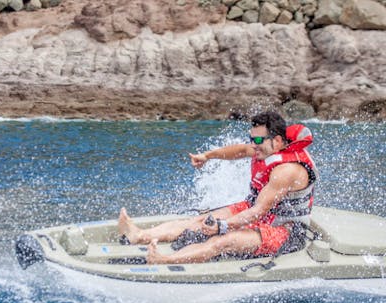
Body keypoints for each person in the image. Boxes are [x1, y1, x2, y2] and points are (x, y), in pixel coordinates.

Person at [118, 111, 318, 264]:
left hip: (284, 230)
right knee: (199, 221)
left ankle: (164, 260)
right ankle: (139, 236)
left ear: (277, 140)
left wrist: (223, 226)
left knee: (224, 240)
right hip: (257, 212)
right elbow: (239, 150)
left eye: (257, 140)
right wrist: (208, 156)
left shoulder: (287, 171)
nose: (252, 145)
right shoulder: (265, 148)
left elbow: (258, 211)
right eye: (251, 139)